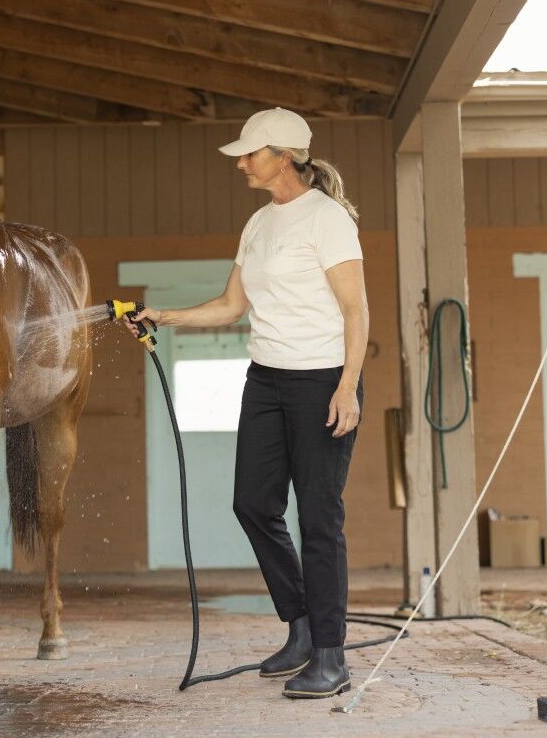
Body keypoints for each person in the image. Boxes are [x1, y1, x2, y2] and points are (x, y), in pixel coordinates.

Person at [124, 107, 369, 699]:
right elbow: (233, 305)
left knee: (318, 516)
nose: (240, 163)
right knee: (253, 504)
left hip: (322, 379)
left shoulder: (327, 220)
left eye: (250, 154)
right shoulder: (259, 224)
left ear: (283, 156)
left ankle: (332, 657)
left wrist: (347, 386)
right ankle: (302, 627)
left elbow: (356, 310)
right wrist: (164, 315)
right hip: (266, 379)